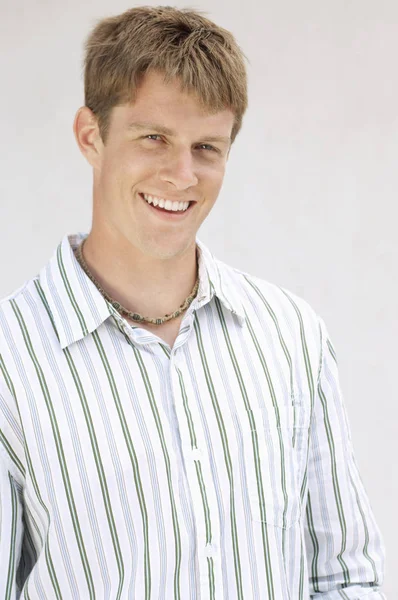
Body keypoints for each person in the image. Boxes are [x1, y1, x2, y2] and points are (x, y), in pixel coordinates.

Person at [0, 6, 386, 599]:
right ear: (91, 135)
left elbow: (345, 577)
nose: (183, 175)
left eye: (207, 147)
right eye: (154, 137)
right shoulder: (10, 359)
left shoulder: (290, 337)